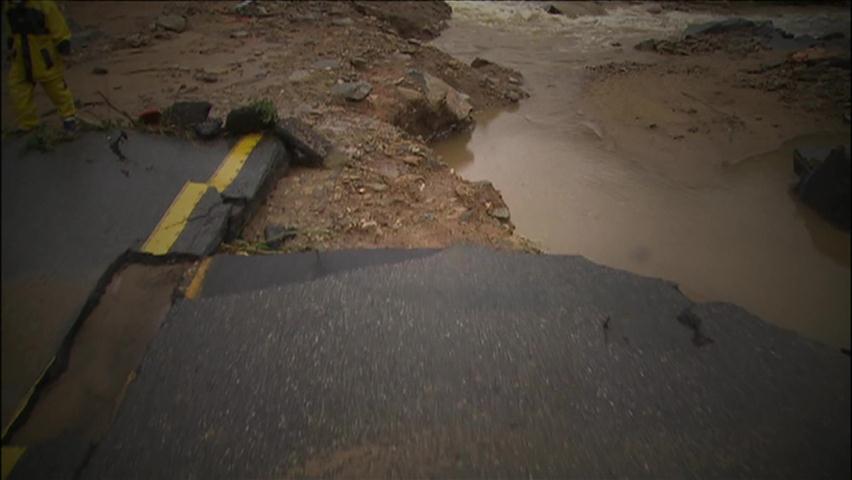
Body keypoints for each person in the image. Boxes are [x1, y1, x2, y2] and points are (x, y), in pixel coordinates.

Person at [4, 0, 77, 133]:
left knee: (56, 89)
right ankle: (28, 124)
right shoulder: (10, 6)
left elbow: (59, 28)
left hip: (44, 57)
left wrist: (63, 48)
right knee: (18, 89)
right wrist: (10, 46)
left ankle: (69, 117)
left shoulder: (44, 4)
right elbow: (10, 30)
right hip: (21, 57)